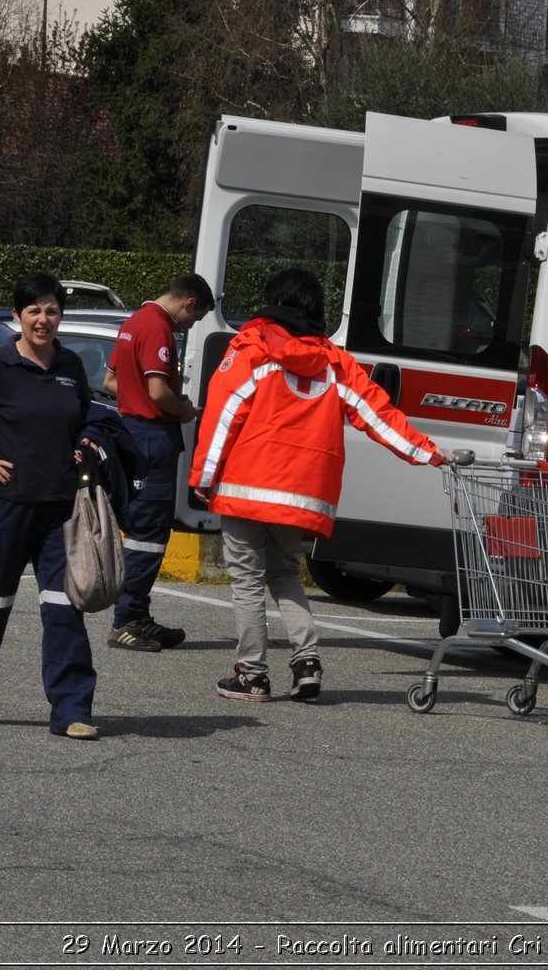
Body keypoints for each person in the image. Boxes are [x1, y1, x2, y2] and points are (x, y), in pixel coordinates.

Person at [190, 268, 448, 702]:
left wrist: (204, 475)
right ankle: (306, 662)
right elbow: (378, 414)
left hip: (246, 488)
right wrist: (428, 453)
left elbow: (223, 413)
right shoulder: (336, 363)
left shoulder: (251, 349)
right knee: (286, 573)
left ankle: (251, 674)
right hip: (303, 495)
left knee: (249, 583)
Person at [0, 272, 101, 741]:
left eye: (51, 310)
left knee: (65, 611)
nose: (43, 319)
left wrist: (85, 442)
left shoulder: (71, 365)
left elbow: (84, 416)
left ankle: (71, 711)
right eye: (34, 311)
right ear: (17, 316)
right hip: (7, 506)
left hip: (59, 510)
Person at [103, 273, 216, 652]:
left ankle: (137, 614)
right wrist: (183, 410)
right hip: (152, 437)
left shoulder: (133, 321)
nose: (190, 325)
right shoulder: (159, 327)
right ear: (189, 303)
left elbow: (111, 382)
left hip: (132, 432)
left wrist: (139, 401)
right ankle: (128, 620)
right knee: (148, 536)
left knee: (141, 529)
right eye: (195, 318)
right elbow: (158, 391)